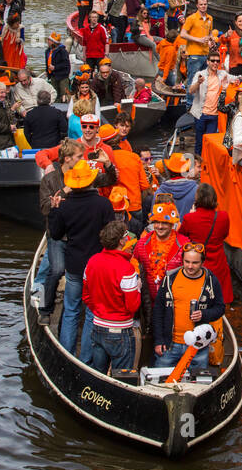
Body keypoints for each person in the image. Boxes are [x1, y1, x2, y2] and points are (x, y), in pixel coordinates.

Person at [48, 159, 116, 359]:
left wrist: (54, 210)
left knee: (71, 310)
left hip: (74, 264)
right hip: (96, 266)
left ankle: (66, 354)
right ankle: (85, 358)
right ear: (91, 181)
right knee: (91, 314)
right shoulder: (103, 204)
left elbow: (55, 234)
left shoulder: (65, 207)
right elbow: (111, 234)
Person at [80, 220, 143, 376]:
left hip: (98, 326)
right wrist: (139, 288)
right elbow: (133, 306)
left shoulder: (92, 261)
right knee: (122, 376)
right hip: (120, 329)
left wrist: (99, 311)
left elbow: (86, 295)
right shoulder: (126, 268)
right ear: (121, 240)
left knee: (98, 373)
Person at [152, 243, 226, 370]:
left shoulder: (211, 280)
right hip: (170, 345)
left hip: (198, 346)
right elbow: (158, 310)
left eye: (195, 263)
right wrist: (158, 340)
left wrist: (204, 314)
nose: (190, 266)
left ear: (202, 262)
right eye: (187, 262)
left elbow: (220, 308)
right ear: (182, 260)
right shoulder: (170, 278)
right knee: (161, 381)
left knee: (196, 383)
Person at [179, 182, 233, 304]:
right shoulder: (223, 216)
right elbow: (225, 235)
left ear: (197, 198)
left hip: (198, 263)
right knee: (219, 300)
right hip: (219, 263)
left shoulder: (189, 218)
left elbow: (181, 237)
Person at [188, 63, 236, 158]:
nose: (215, 62)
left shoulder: (222, 74)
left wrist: (238, 79)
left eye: (217, 60)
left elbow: (235, 77)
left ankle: (207, 162)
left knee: (210, 141)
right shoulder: (199, 74)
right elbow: (191, 91)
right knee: (199, 141)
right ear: (208, 62)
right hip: (200, 114)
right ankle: (198, 163)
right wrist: (198, 82)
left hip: (213, 115)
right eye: (212, 60)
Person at [179, 0, 215, 100]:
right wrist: (198, 39)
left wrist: (211, 39)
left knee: (204, 81)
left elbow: (210, 33)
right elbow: (182, 34)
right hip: (194, 54)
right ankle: (189, 105)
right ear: (197, 5)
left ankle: (201, 104)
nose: (203, 6)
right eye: (201, 4)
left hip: (206, 54)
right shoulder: (191, 18)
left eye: (205, 4)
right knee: (192, 80)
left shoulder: (210, 18)